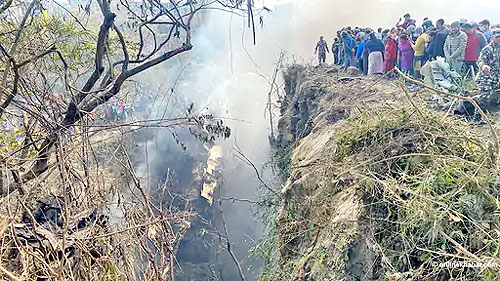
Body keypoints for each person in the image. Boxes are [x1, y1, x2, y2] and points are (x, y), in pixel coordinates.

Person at [476, 27, 500, 107]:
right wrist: (484, 66)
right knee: (484, 97)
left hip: (497, 77)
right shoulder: (488, 49)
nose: (499, 39)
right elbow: (480, 61)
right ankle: (478, 116)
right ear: (492, 37)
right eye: (497, 37)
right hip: (486, 77)